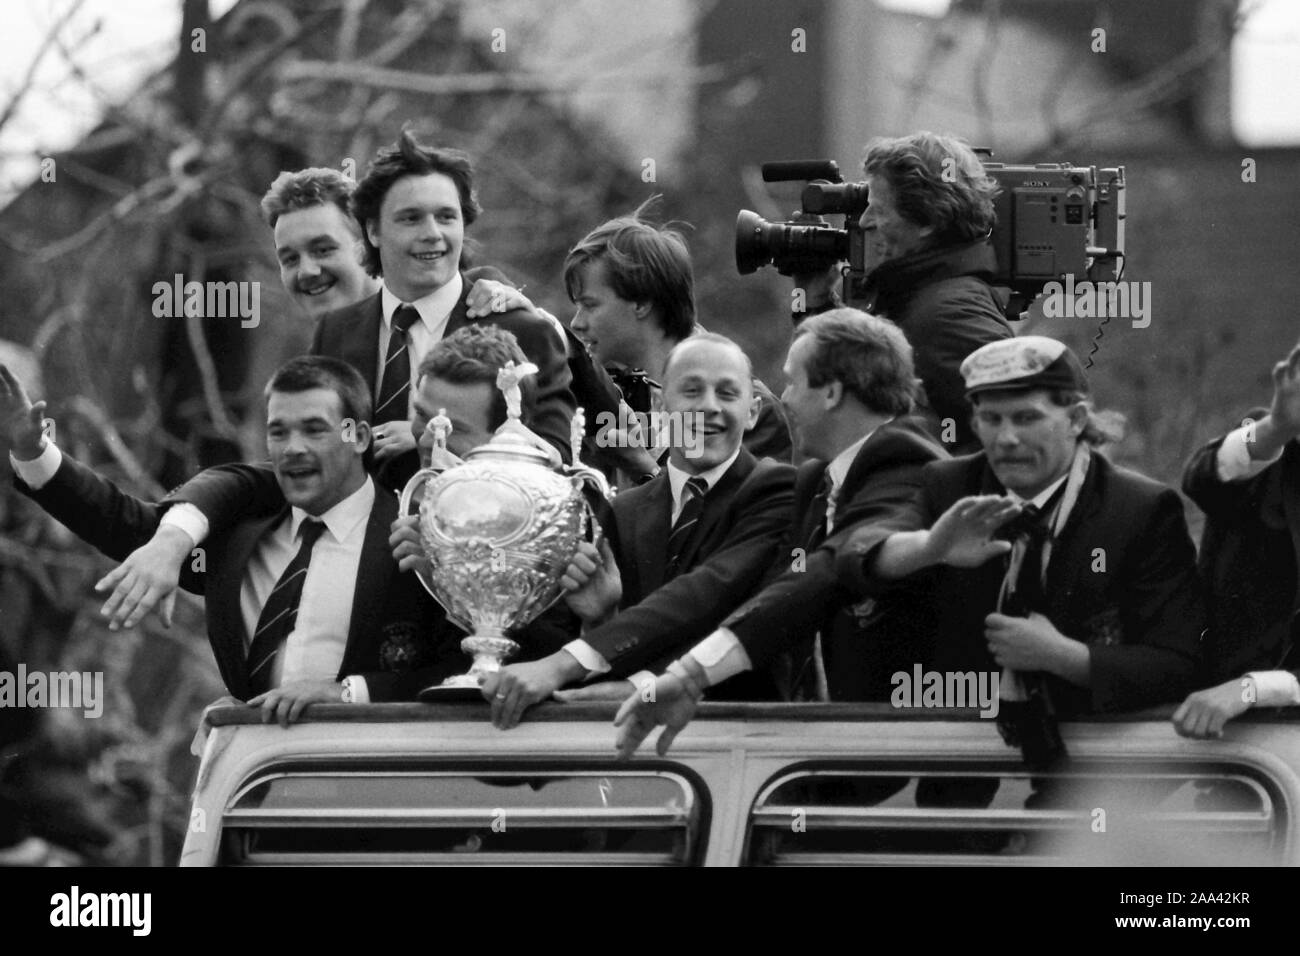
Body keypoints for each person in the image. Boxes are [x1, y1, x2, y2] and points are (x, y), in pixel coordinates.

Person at [615, 337, 1203, 763]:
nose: (1007, 438)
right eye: (991, 418)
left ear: (1077, 419)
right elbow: (842, 565)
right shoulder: (949, 485)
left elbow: (1180, 663)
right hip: (944, 773)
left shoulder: (1141, 511)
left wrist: (1064, 657)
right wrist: (692, 672)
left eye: (1027, 418)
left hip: (1099, 776)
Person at [1, 359, 459, 724]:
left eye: (314, 429)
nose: (292, 447)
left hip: (374, 790)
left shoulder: (414, 536)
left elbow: (463, 671)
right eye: (278, 431)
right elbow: (125, 524)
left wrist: (350, 693)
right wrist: (33, 453)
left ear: (358, 436)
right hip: (253, 786)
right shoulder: (242, 534)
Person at [603, 310, 945, 751]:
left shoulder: (906, 462)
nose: (784, 398)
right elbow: (768, 602)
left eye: (793, 382)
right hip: (814, 753)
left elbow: (836, 567)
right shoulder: (815, 483)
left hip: (900, 763)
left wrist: (684, 677)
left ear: (832, 393)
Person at [480, 334, 796, 729]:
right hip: (627, 748)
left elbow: (707, 596)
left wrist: (582, 669)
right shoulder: (623, 510)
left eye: (727, 394)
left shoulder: (779, 489)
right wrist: (600, 618)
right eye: (692, 391)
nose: (709, 408)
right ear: (661, 407)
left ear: (752, 412)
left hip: (736, 737)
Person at [314, 129, 576, 489]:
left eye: (447, 217)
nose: (433, 233)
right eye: (411, 218)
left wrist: (437, 436)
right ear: (373, 231)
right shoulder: (335, 331)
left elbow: (557, 460)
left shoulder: (523, 330)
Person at [565, 204, 793, 469]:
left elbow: (738, 506)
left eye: (590, 305)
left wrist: (642, 467)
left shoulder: (745, 410)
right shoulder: (598, 404)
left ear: (641, 301)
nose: (576, 323)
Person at [849, 132, 1013, 452]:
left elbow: (1010, 434)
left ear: (927, 221)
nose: (865, 222)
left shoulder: (950, 316)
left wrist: (939, 490)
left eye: (879, 210)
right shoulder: (920, 297)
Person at [1174, 345, 1300, 738]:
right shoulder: (1273, 448)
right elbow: (1203, 478)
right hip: (1210, 724)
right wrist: (1276, 429)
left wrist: (1251, 689)